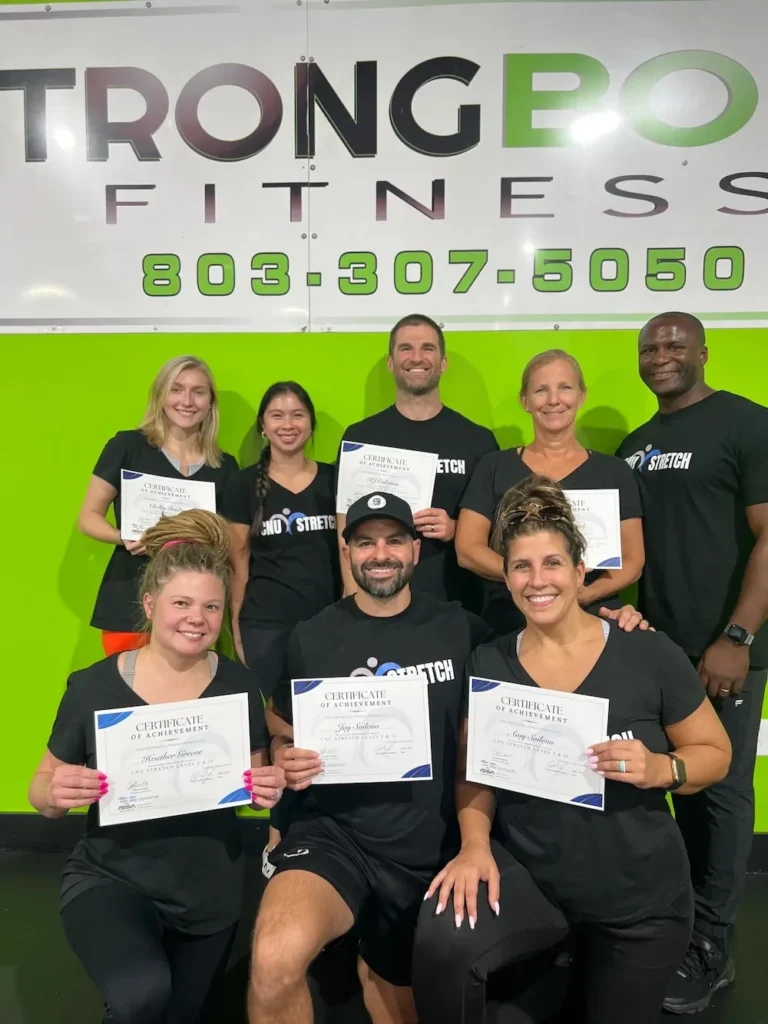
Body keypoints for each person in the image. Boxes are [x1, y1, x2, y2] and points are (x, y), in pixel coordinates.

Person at [413, 477, 731, 1024]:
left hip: (637, 903)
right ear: (506, 578)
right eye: (522, 567)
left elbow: (715, 752)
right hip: (534, 881)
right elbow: (474, 770)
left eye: (553, 563)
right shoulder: (489, 661)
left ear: (581, 571)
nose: (538, 581)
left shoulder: (646, 651)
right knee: (445, 937)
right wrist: (473, 846)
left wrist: (661, 767)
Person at [28, 509, 285, 1024]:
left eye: (212, 606)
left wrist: (269, 786)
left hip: (208, 892)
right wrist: (53, 795)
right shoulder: (93, 687)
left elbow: (258, 783)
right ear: (149, 605)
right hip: (112, 878)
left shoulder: (238, 685)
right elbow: (41, 786)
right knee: (140, 995)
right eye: (182, 603)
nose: (198, 618)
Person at [249, 491, 493, 1024]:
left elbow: (542, 648)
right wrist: (286, 751)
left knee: (402, 1003)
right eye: (365, 542)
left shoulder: (461, 629)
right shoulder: (312, 636)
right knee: (272, 960)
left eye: (393, 540)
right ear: (347, 552)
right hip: (332, 835)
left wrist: (619, 621)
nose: (379, 553)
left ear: (414, 551)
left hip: (428, 844)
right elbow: (279, 720)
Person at [616, 312, 768, 1014]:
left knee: (723, 792)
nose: (661, 355)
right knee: (672, 791)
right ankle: (676, 929)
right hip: (661, 648)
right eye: (650, 347)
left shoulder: (746, 423)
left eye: (675, 344)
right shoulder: (637, 445)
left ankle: (713, 944)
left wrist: (736, 635)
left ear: (703, 352)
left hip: (726, 648)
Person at [221, 381, 340, 861]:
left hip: (327, 624)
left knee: (329, 726)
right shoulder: (242, 485)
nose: (287, 424)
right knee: (281, 732)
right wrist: (236, 629)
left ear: (311, 423)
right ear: (263, 426)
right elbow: (238, 562)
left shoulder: (335, 479)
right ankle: (277, 837)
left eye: (297, 415)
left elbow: (348, 554)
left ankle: (325, 827)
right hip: (267, 624)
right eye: (277, 415)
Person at [456, 349, 644, 636]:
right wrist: (530, 580)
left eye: (564, 388)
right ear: (525, 401)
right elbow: (468, 550)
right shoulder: (494, 466)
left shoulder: (615, 472)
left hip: (592, 617)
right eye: (541, 390)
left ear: (581, 396)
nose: (553, 400)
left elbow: (633, 560)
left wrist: (584, 593)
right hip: (510, 621)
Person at [77, 355, 239, 656]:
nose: (187, 401)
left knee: (186, 696)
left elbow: (227, 539)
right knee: (131, 691)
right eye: (176, 389)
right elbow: (88, 517)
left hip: (195, 605)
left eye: (198, 391)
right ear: (160, 394)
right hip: (129, 596)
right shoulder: (127, 447)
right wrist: (123, 537)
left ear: (210, 402)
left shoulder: (225, 466)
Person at [337, 313, 499, 611]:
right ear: (391, 362)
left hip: (461, 603)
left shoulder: (478, 440)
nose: (417, 357)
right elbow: (345, 522)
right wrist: (351, 593)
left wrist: (456, 529)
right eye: (405, 348)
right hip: (380, 601)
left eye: (427, 348)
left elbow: (499, 530)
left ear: (443, 362)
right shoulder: (362, 437)